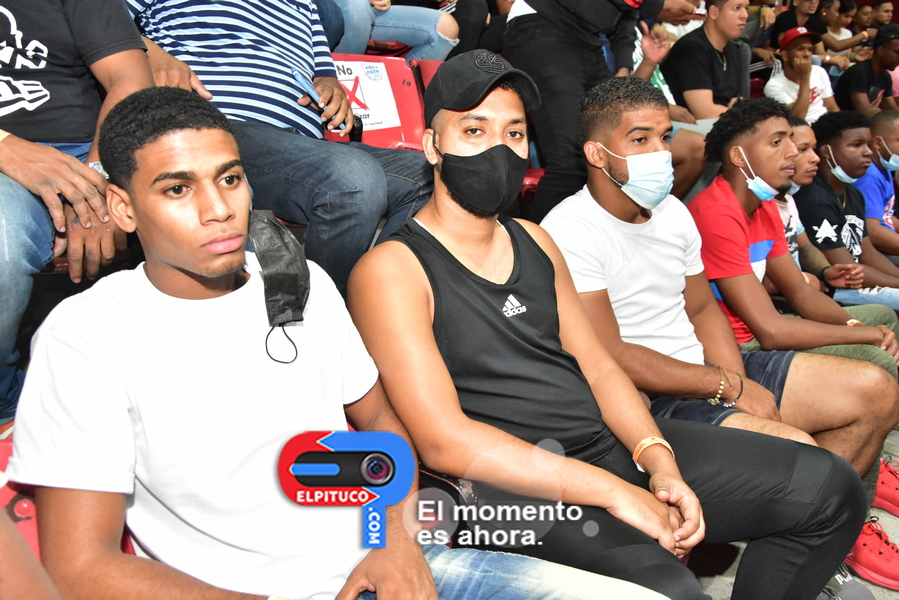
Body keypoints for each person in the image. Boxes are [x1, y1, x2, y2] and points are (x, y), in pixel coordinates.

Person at [7, 86, 667, 600]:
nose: (218, 209)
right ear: (123, 208)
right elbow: (82, 567)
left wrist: (393, 542)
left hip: (400, 562)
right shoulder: (87, 336)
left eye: (230, 178)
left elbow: (378, 429)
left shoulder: (301, 281)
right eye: (178, 189)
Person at [348, 52, 867, 600]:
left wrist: (657, 459)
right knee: (669, 591)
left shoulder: (535, 240)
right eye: (474, 130)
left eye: (515, 132)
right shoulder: (393, 269)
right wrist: (615, 492)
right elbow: (444, 441)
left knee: (828, 488)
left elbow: (597, 367)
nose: (499, 149)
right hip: (509, 487)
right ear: (433, 146)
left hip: (601, 444)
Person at [540, 78, 897, 482]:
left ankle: (824, 503)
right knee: (799, 455)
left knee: (878, 390)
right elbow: (609, 353)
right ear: (597, 154)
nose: (660, 152)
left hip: (708, 369)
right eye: (640, 140)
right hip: (650, 396)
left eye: (665, 137)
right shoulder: (570, 230)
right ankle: (809, 499)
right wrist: (728, 387)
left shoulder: (673, 211)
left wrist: (736, 381)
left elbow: (701, 309)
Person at [127, 0, 434, 296]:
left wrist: (331, 86)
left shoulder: (304, 3)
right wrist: (151, 52)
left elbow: (322, 69)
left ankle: (374, 298)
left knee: (431, 176)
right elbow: (106, 26)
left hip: (300, 143)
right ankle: (325, 313)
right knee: (353, 180)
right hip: (217, 127)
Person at [0, 0, 153, 436]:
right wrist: (6, 147)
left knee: (211, 208)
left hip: (90, 148)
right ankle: (7, 407)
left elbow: (129, 78)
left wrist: (100, 178)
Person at [688, 98, 899, 382]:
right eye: (777, 142)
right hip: (738, 346)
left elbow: (800, 293)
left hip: (766, 326)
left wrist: (855, 326)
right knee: (877, 356)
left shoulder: (765, 205)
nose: (792, 152)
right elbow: (770, 332)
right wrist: (862, 335)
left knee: (883, 318)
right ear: (739, 156)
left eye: (790, 140)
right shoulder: (716, 214)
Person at [500, 0, 705, 221]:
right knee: (573, 161)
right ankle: (535, 241)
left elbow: (626, 13)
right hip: (544, 23)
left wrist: (623, 68)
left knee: (610, 150)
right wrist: (655, 4)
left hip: (589, 38)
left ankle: (611, 230)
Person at [793, 111, 899, 310]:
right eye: (856, 145)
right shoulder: (813, 199)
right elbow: (847, 269)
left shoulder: (853, 193)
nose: (868, 152)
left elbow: (868, 253)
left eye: (867, 145)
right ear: (827, 152)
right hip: (835, 290)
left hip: (860, 281)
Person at [660, 0, 749, 119]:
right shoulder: (691, 49)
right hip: (688, 126)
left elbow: (738, 101)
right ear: (714, 12)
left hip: (725, 123)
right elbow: (705, 113)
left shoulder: (732, 49)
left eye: (746, 8)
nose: (745, 15)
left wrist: (737, 110)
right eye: (737, 8)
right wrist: (740, 113)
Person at [332, 0, 460, 61]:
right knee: (357, 6)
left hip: (372, 12)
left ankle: (400, 92)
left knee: (445, 26)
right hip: (331, 11)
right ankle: (339, 80)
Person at [764, 27, 840, 123]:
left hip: (826, 124)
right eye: (800, 49)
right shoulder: (774, 85)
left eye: (810, 49)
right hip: (803, 128)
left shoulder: (819, 71)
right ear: (785, 55)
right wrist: (805, 77)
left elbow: (832, 108)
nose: (807, 54)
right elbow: (796, 120)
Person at [855, 110, 899, 264]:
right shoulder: (869, 176)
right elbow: (873, 232)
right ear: (878, 143)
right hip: (878, 253)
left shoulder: (884, 168)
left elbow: (885, 215)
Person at [833, 23, 899, 115]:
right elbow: (865, 113)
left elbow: (892, 110)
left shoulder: (885, 76)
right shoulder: (859, 72)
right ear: (880, 50)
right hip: (845, 122)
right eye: (897, 52)